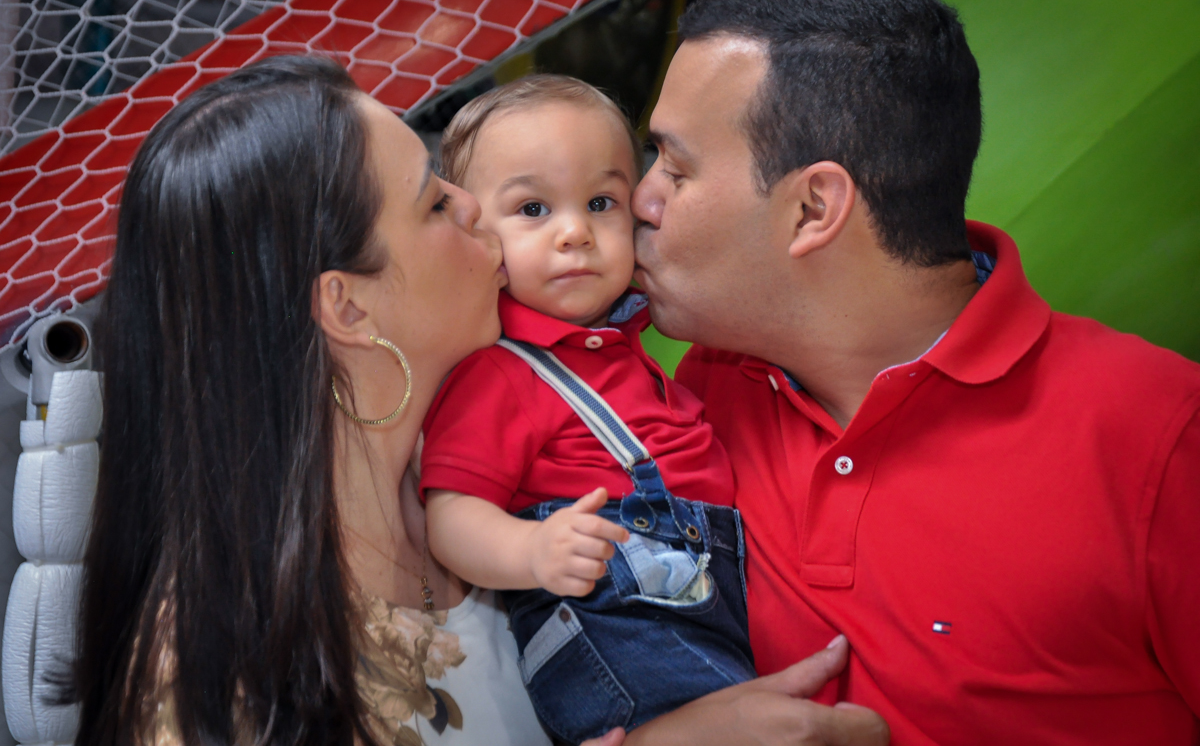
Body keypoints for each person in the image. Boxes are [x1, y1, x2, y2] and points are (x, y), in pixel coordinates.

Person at [65, 54, 888, 746]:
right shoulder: (210, 679)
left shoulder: (482, 457)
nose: (474, 208)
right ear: (347, 306)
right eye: (433, 200)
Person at [632, 0, 1200, 745]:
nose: (640, 198)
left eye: (675, 165)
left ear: (811, 208)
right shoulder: (690, 401)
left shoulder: (1162, 437)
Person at [418, 75, 754, 744]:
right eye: (533, 209)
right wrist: (531, 548)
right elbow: (450, 514)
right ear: (479, 240)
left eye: (601, 202)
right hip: (616, 632)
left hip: (700, 604)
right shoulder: (501, 372)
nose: (575, 232)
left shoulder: (625, 349)